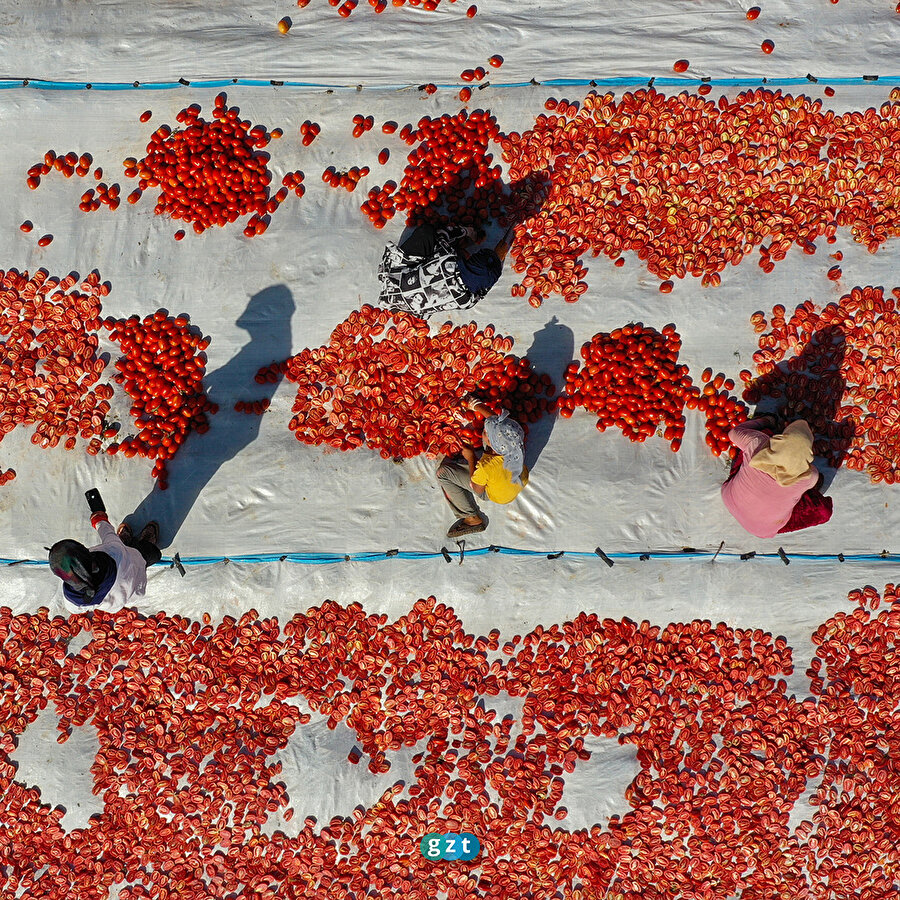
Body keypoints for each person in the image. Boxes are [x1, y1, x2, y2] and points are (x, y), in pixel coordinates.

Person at [721, 416, 833, 538]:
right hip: (760, 530)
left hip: (729, 498)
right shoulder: (810, 477)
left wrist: (766, 421)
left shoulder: (757, 443)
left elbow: (733, 433)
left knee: (754, 444)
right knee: (824, 511)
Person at [378, 222, 512, 318]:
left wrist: (468, 231)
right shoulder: (468, 302)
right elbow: (485, 286)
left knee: (427, 232)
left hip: (393, 279)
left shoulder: (448, 260)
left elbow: (442, 235)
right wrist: (498, 257)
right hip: (412, 305)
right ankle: (400, 303)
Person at [436, 400, 528, 538]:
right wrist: (475, 405)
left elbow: (476, 487)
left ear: (491, 442)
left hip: (494, 494)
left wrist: (471, 457)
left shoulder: (486, 466)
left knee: (443, 473)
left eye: (485, 432)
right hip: (513, 485)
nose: (482, 432)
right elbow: (497, 423)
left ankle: (472, 519)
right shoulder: (515, 446)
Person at [49, 505, 162, 613]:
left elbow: (73, 609)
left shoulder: (73, 598)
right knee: (146, 554)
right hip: (135, 564)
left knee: (122, 547)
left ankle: (125, 542)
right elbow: (108, 535)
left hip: (121, 599)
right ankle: (144, 542)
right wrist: (99, 520)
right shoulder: (112, 552)